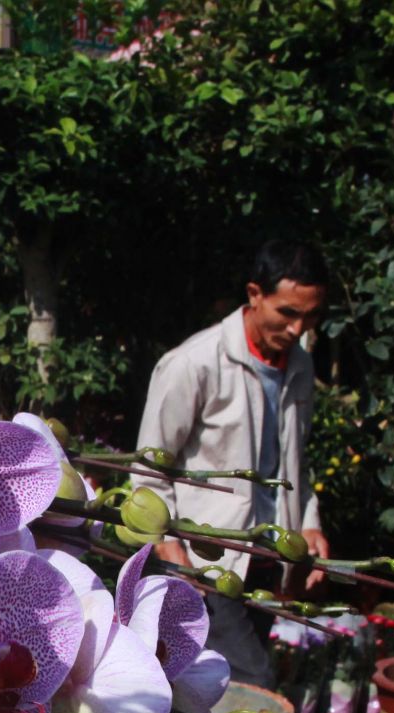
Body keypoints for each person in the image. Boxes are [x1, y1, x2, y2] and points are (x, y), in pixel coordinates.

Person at [136, 239, 331, 687]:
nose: (297, 328)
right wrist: (170, 550)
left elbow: (294, 462)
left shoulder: (300, 367)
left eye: (310, 317)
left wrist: (310, 525)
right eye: (287, 313)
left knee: (214, 690)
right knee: (254, 685)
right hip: (206, 564)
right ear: (254, 294)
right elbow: (148, 469)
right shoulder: (192, 364)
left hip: (267, 563)